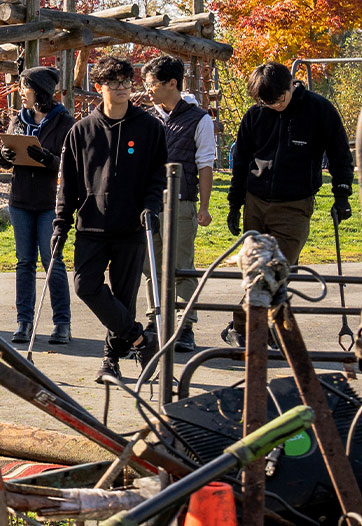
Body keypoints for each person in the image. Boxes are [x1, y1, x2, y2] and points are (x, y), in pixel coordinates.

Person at [52, 57, 168, 379]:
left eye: (126, 82)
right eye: (114, 83)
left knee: (123, 298)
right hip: (91, 225)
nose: (122, 89)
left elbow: (157, 176)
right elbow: (68, 182)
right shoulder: (81, 131)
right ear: (98, 87)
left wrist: (151, 206)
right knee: (85, 286)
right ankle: (141, 340)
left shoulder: (149, 128)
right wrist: (61, 221)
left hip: (131, 226)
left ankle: (110, 360)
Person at [224, 61, 354, 346]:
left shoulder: (319, 110)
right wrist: (235, 203)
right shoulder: (255, 115)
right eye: (266, 101)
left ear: (291, 86)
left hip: (295, 203)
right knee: (257, 270)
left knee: (277, 270)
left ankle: (242, 325)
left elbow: (340, 154)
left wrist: (342, 194)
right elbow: (241, 163)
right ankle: (260, 327)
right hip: (255, 201)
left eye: (279, 99)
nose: (274, 106)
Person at [141, 55, 217, 352]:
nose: (148, 90)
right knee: (151, 262)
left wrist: (205, 206)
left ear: (172, 83)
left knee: (181, 264)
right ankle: (155, 318)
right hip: (148, 200)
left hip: (182, 200)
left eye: (152, 84)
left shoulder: (199, 118)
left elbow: (205, 164)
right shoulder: (147, 117)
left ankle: (185, 325)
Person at [0, 66, 73, 346]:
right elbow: (6, 157)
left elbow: (70, 164)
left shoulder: (65, 123)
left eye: (24, 87)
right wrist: (3, 155)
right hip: (20, 201)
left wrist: (47, 159)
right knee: (24, 262)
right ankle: (24, 322)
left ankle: (62, 323)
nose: (19, 92)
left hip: (49, 202)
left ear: (38, 91)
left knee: (52, 261)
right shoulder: (19, 119)